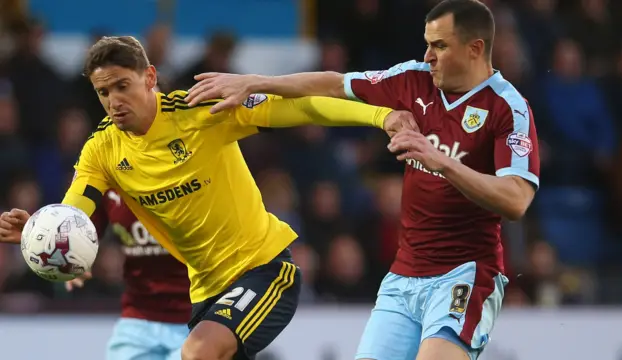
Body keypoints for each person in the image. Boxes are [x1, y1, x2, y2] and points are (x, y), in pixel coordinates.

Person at [0, 36, 416, 360]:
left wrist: (380, 116)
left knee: (198, 351)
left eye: (122, 86)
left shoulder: (201, 111)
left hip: (264, 269)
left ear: (149, 77)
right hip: (204, 293)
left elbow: (305, 108)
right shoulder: (102, 150)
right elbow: (77, 212)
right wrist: (43, 232)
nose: (113, 102)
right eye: (103, 92)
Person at [185, 1, 540, 359]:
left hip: (465, 275)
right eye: (428, 43)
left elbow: (515, 199)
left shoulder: (507, 108)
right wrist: (256, 81)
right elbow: (335, 84)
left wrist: (440, 161)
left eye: (440, 46)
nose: (428, 55)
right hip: (404, 275)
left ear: (475, 48)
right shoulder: (413, 78)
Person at [65, 188, 191, 360]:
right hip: (138, 317)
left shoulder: (195, 173)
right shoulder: (104, 175)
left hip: (196, 318)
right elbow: (84, 231)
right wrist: (77, 260)